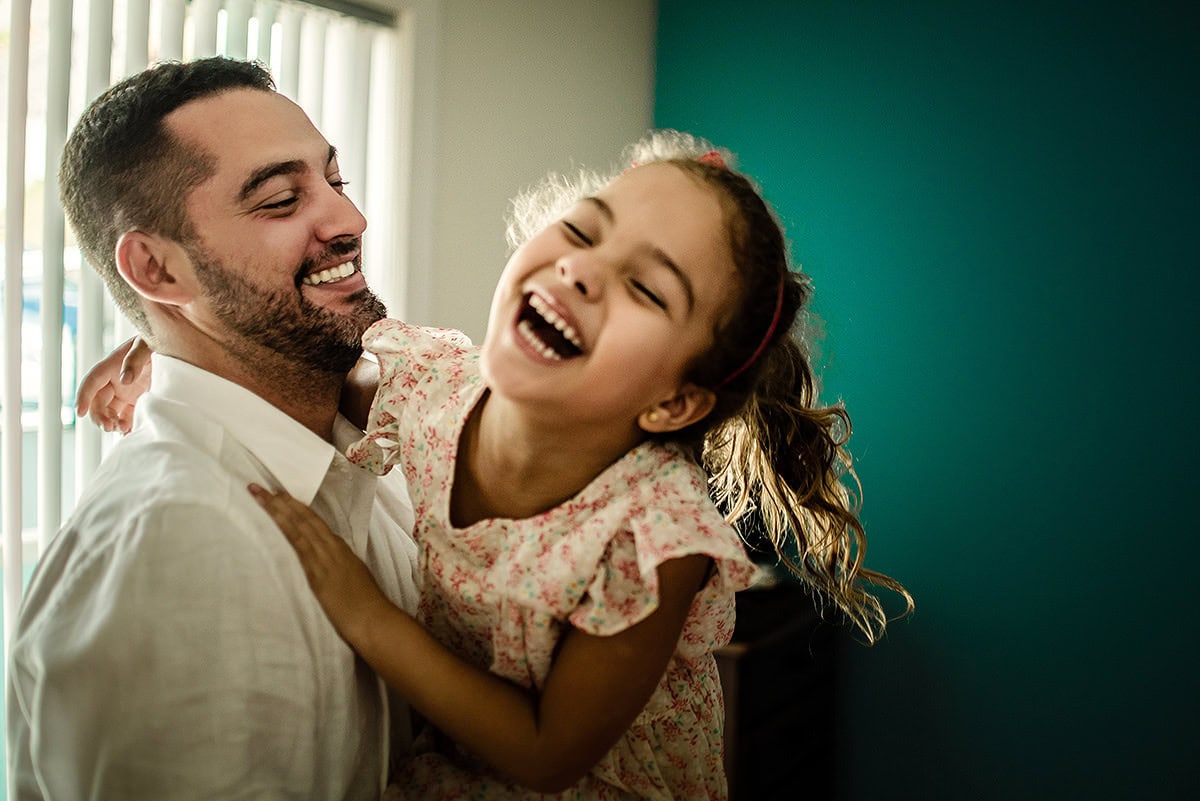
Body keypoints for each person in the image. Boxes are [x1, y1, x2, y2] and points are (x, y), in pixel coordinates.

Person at [246, 132, 915, 799]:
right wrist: (166, 360)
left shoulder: (653, 536)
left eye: (647, 290)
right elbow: (306, 378)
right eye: (582, 230)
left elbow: (548, 754)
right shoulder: (432, 390)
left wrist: (363, 613)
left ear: (675, 400)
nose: (582, 270)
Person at [5, 57, 420, 799]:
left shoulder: (368, 457)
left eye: (337, 182)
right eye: (281, 199)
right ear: (159, 272)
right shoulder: (181, 543)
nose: (350, 221)